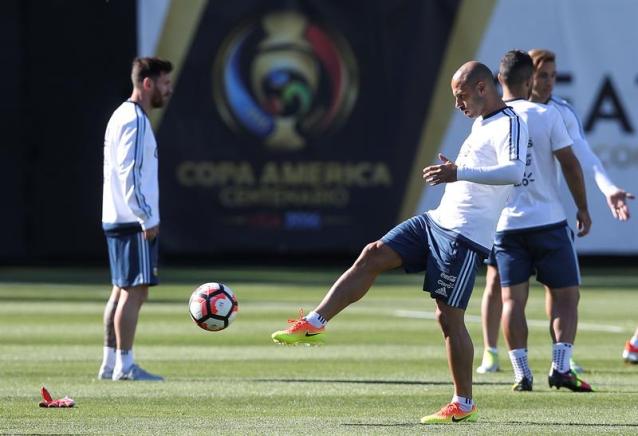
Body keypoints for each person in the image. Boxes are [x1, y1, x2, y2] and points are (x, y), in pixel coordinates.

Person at [272, 61, 528, 424]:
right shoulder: (480, 122)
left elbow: (515, 172)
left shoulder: (511, 121)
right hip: (437, 220)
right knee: (373, 253)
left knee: (447, 316)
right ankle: (314, 322)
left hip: (464, 235)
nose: (458, 103)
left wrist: (458, 172)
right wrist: (458, 172)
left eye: (461, 95)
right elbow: (480, 173)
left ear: (484, 87)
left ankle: (464, 403)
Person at [477, 48, 634, 376]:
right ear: (528, 78)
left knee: (552, 288)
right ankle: (491, 352)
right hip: (514, 220)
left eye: (552, 75)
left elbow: (584, 156)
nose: (548, 81)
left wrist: (607, 189)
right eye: (542, 75)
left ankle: (556, 357)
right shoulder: (501, 115)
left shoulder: (560, 112)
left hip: (527, 221)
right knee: (497, 285)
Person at [485, 50, 595, 393]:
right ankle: (560, 368)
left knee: (512, 302)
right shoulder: (545, 115)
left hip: (506, 226)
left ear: (499, 81)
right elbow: (571, 164)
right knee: (566, 297)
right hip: (548, 222)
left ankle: (521, 372)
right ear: (530, 80)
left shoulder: (488, 120)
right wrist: (583, 208)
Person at [98, 57, 173, 381]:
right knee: (135, 291)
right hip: (132, 220)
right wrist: (145, 215)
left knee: (120, 290)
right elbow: (130, 173)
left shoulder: (121, 115)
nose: (168, 89)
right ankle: (125, 367)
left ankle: (110, 362)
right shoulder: (135, 119)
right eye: (164, 83)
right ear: (147, 83)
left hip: (116, 215)